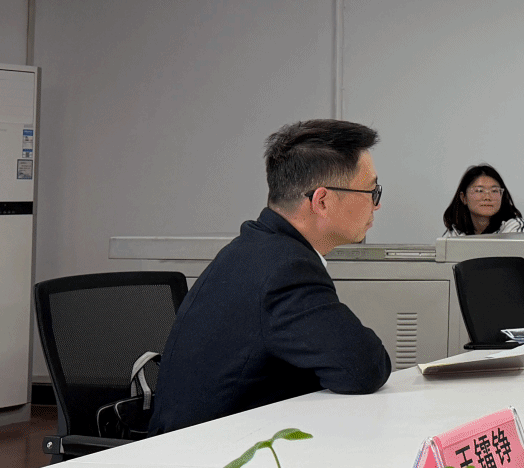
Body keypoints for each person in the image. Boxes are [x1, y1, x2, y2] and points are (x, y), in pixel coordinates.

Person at [149, 119, 393, 434]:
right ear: (322, 201)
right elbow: (363, 368)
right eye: (372, 191)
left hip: (214, 441)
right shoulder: (286, 270)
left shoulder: (257, 248)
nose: (377, 204)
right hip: (212, 456)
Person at [442, 164, 524, 237]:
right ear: (464, 198)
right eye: (479, 191)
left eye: (494, 191)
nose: (487, 197)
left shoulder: (514, 226)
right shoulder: (454, 232)